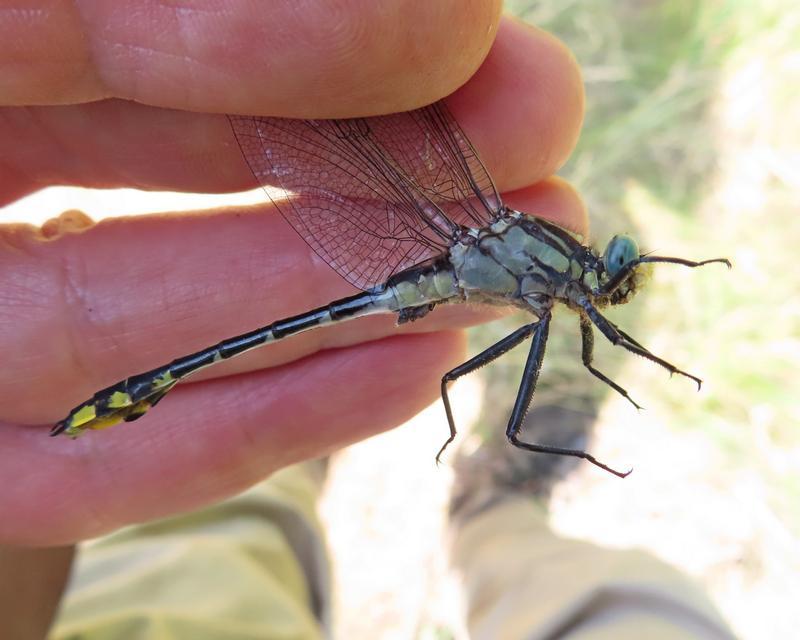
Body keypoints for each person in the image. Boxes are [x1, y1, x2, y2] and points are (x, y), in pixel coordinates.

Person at [0, 3, 734, 638]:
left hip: (452, 265)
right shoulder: (561, 293)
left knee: (232, 542)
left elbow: (598, 344)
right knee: (498, 421)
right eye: (615, 272)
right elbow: (598, 342)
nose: (611, 280)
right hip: (437, 269)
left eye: (613, 269)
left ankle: (313, 488)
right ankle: (490, 513)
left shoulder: (552, 286)